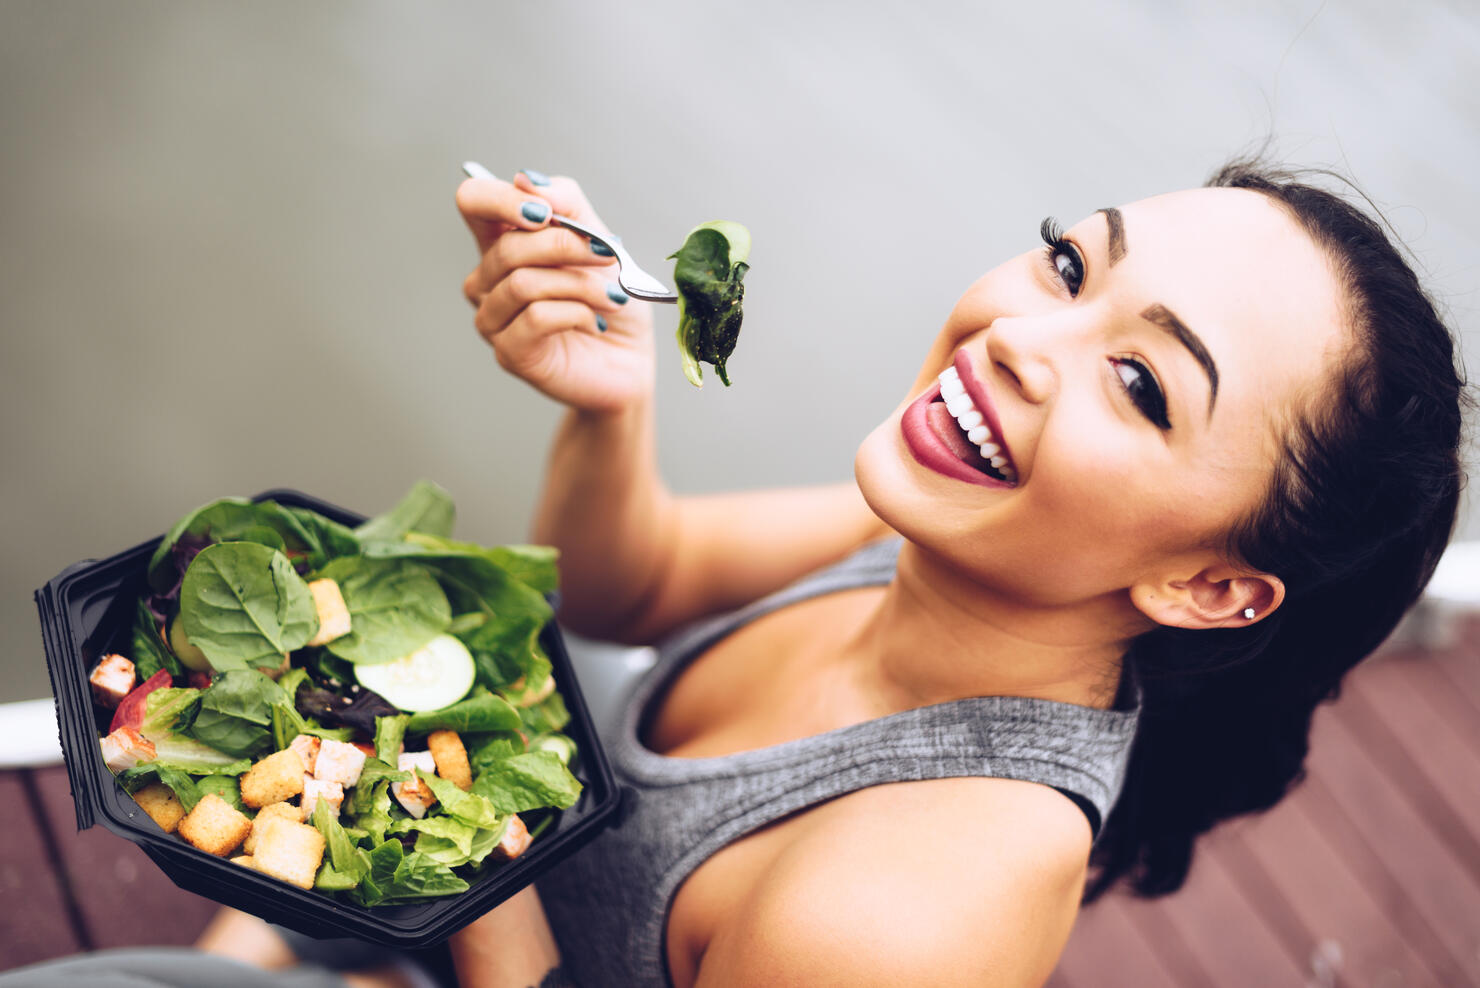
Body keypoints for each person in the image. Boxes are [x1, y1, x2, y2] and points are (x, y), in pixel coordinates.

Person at [1, 159, 1461, 988]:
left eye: (1142, 388)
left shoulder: (915, 921)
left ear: (1215, 587)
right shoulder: (958, 545)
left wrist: (466, 863)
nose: (1023, 335)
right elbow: (635, 596)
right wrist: (607, 406)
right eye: (1072, 266)